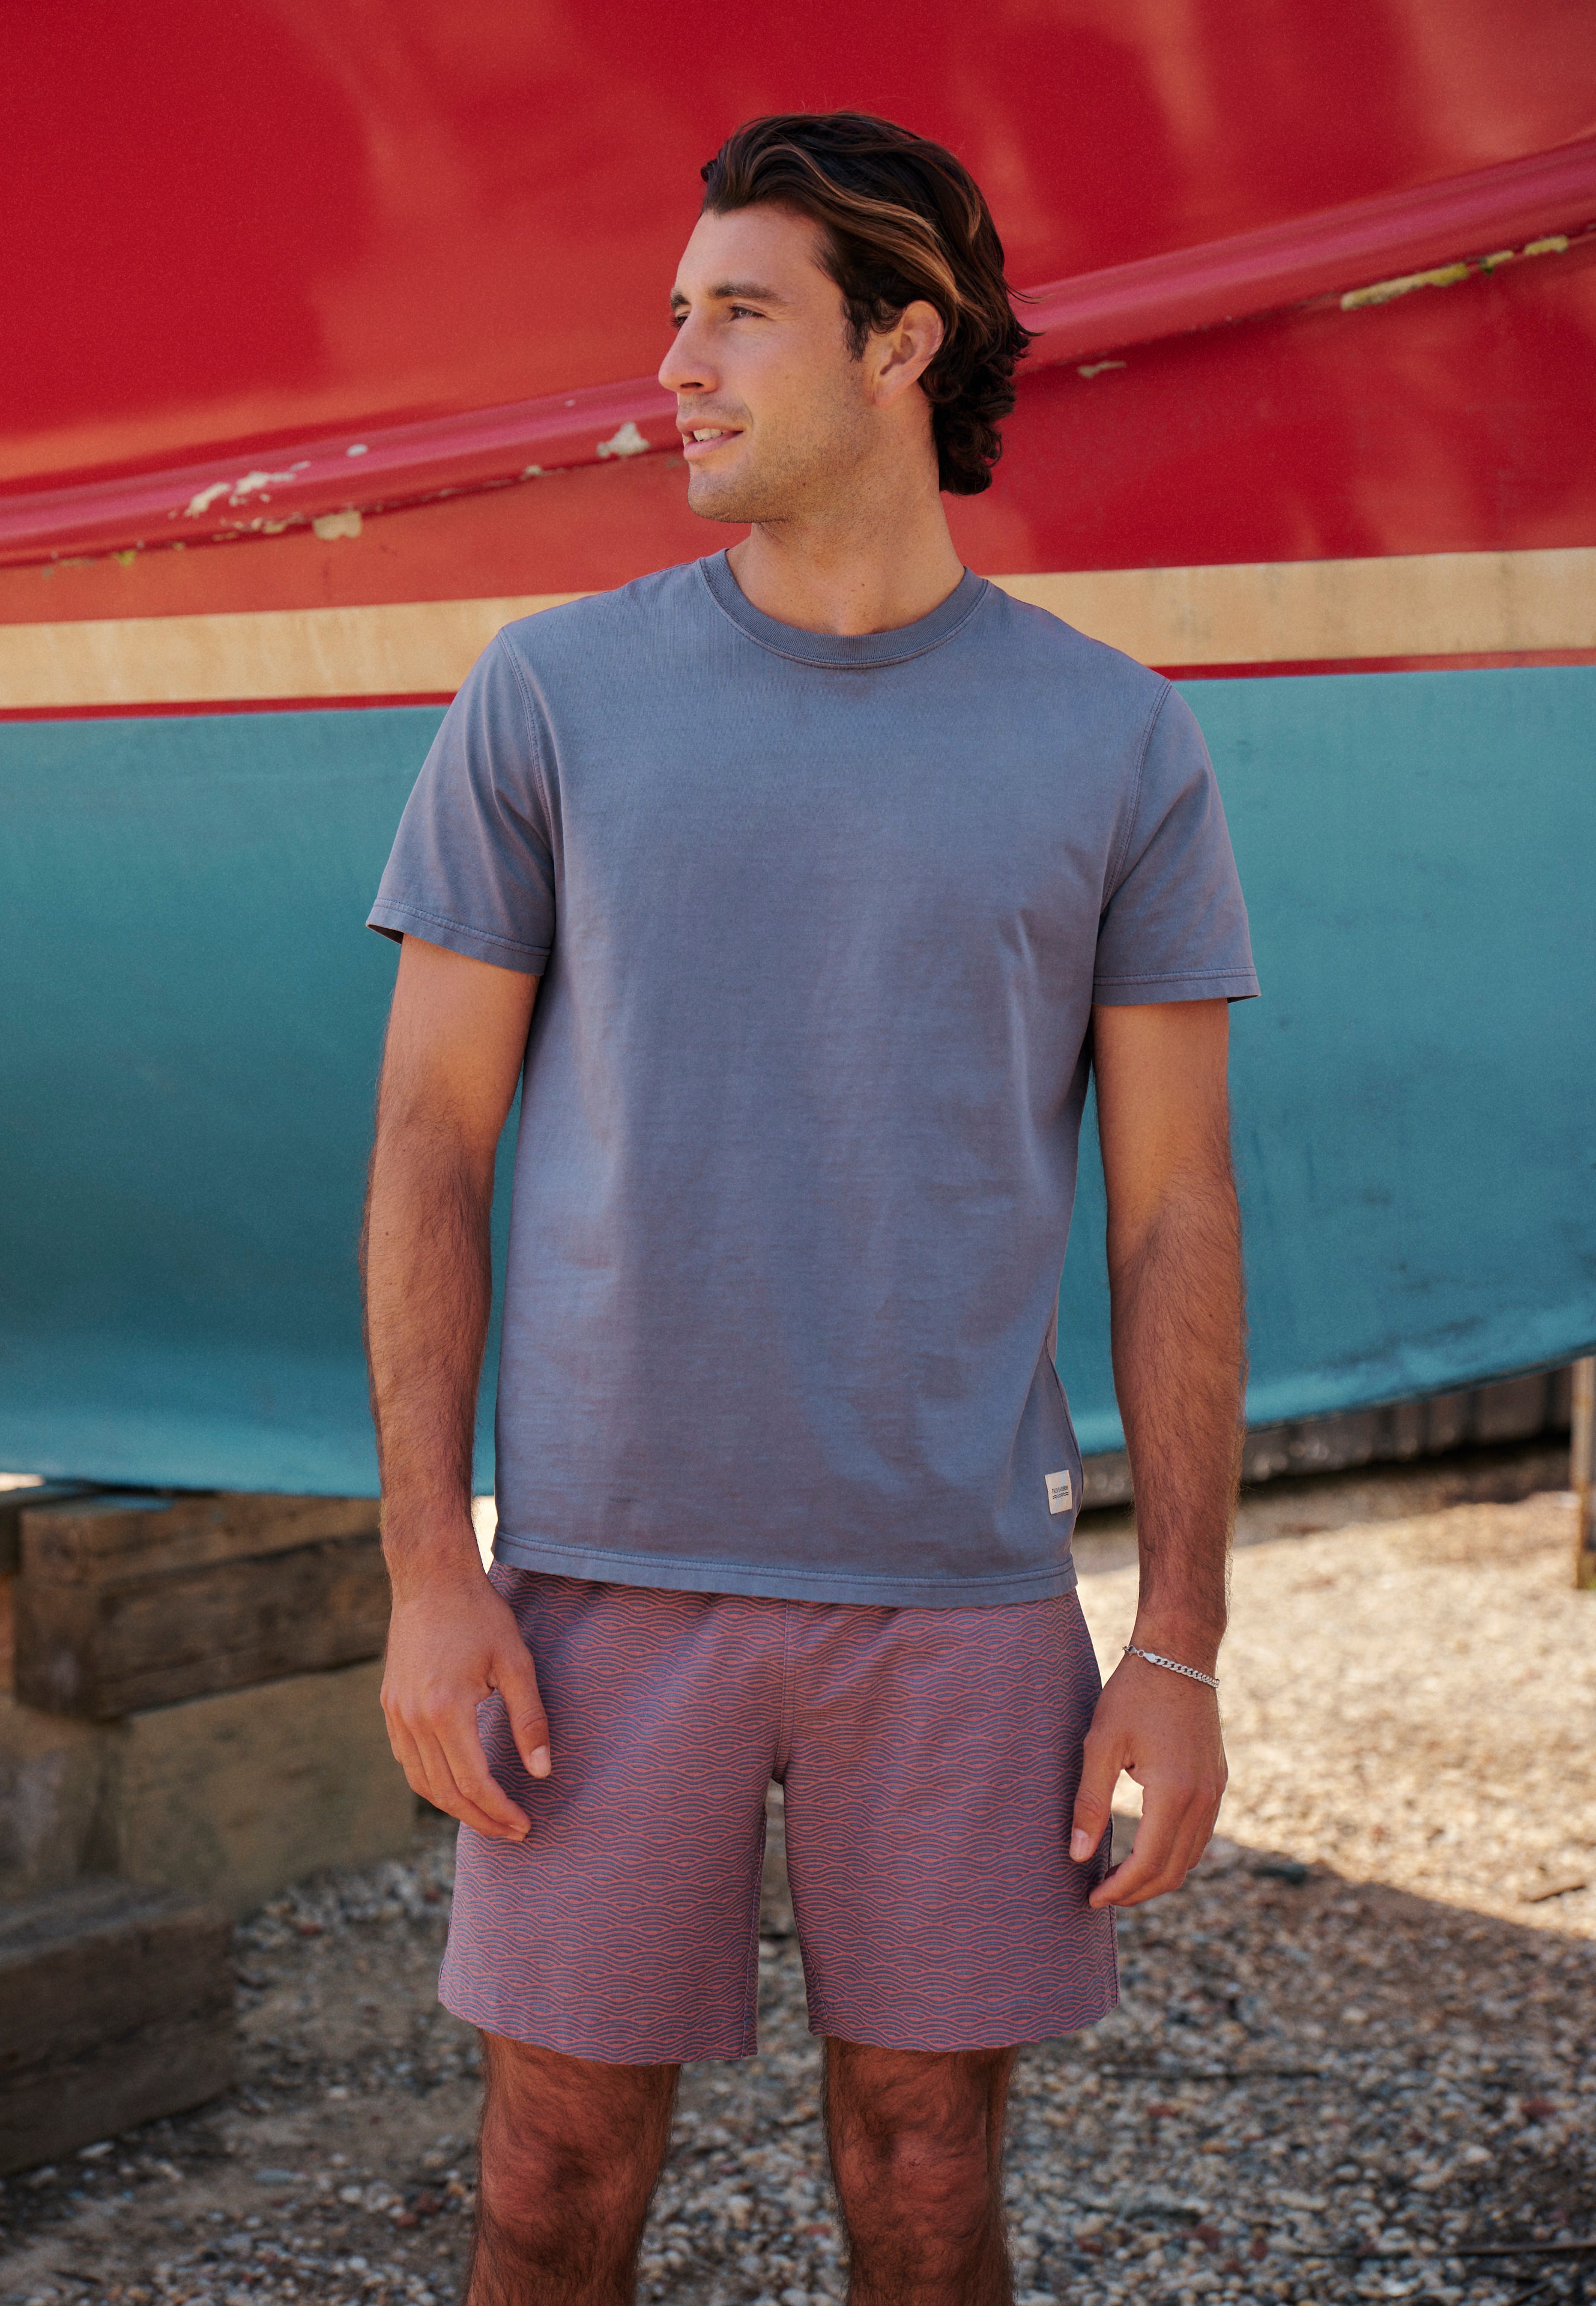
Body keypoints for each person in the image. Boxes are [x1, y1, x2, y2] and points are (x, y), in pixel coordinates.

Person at [363, 110, 1256, 2306]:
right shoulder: (547, 697)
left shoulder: (1115, 738)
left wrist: (1181, 1649)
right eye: (673, 317)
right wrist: (421, 1572)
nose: (673, 364)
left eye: (735, 315)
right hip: (595, 1593)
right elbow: (428, 1154)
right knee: (550, 2181)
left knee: (929, 2174)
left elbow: (1174, 1220)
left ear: (903, 346)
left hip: (956, 1601)